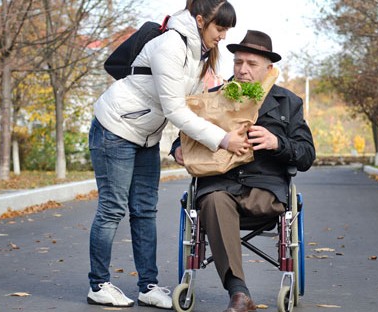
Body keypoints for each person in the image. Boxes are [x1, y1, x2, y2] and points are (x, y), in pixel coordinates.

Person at [86, 0, 248, 309]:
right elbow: (175, 109)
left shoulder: (199, 53)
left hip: (146, 135)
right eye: (220, 28)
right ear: (200, 20)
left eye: (227, 30)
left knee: (145, 210)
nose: (223, 36)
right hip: (115, 127)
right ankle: (99, 284)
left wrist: (178, 145)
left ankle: (147, 285)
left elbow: (196, 104)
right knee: (112, 208)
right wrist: (222, 140)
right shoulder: (170, 46)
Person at [171, 30, 316, 312]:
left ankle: (240, 294)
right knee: (213, 200)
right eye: (238, 62)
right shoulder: (213, 98)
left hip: (265, 189)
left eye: (251, 64)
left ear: (269, 68)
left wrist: (277, 143)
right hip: (218, 185)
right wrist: (177, 148)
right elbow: (186, 133)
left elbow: (306, 155)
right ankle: (239, 293)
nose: (243, 70)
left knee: (225, 198)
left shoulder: (288, 102)